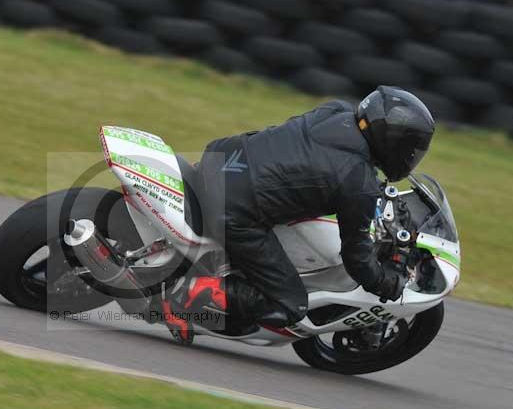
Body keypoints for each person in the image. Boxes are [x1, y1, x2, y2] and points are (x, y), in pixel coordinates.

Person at [163, 86, 435, 344]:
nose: (412, 156)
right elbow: (356, 257)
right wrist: (385, 283)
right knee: (291, 305)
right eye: (412, 149)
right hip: (234, 211)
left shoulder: (335, 111)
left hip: (222, 159)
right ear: (394, 142)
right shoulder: (358, 183)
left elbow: (309, 155)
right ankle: (191, 293)